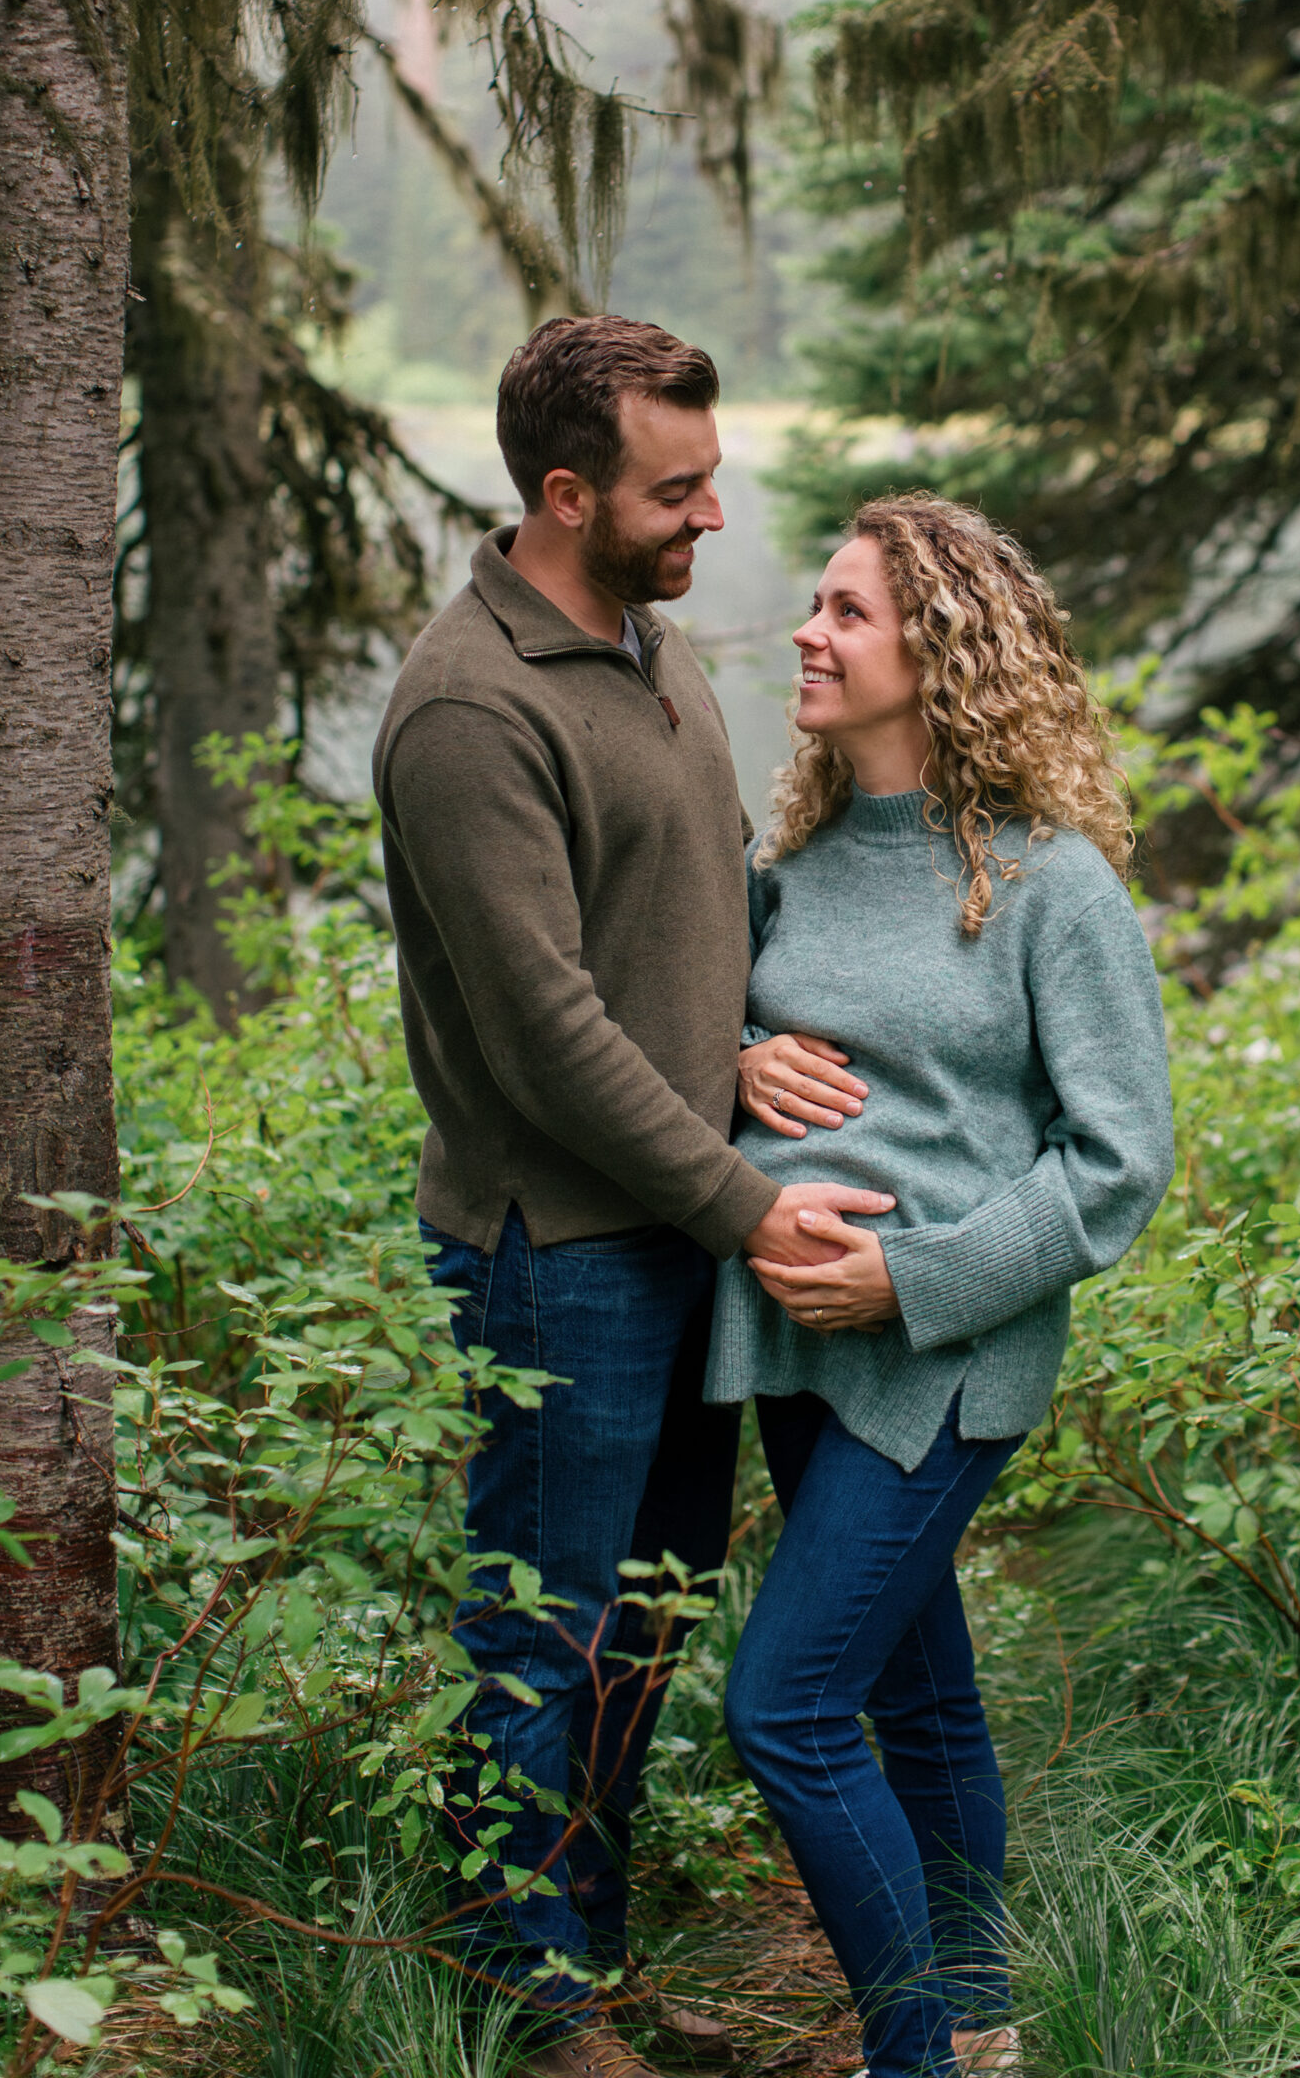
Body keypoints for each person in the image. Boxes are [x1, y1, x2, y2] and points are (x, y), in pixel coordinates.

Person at [371, 316, 894, 2078]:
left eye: (712, 475)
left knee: (642, 1623)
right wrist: (750, 1207)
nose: (715, 517)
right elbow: (545, 1042)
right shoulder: (469, 709)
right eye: (677, 489)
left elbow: (678, 925)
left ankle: (585, 1957)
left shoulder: (644, 649)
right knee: (543, 1625)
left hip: (675, 1233)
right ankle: (529, 2008)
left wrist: (737, 1038)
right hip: (563, 1259)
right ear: (567, 490)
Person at [706, 493, 1175, 2078]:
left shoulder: (1052, 887)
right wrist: (736, 1052)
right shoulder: (801, 857)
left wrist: (907, 1280)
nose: (805, 633)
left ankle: (906, 2061)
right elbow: (734, 1055)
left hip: (938, 1357)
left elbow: (1115, 1162)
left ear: (941, 650)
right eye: (815, 606)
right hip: (794, 1342)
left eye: (843, 611)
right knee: (916, 1694)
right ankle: (978, 2020)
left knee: (782, 1709)